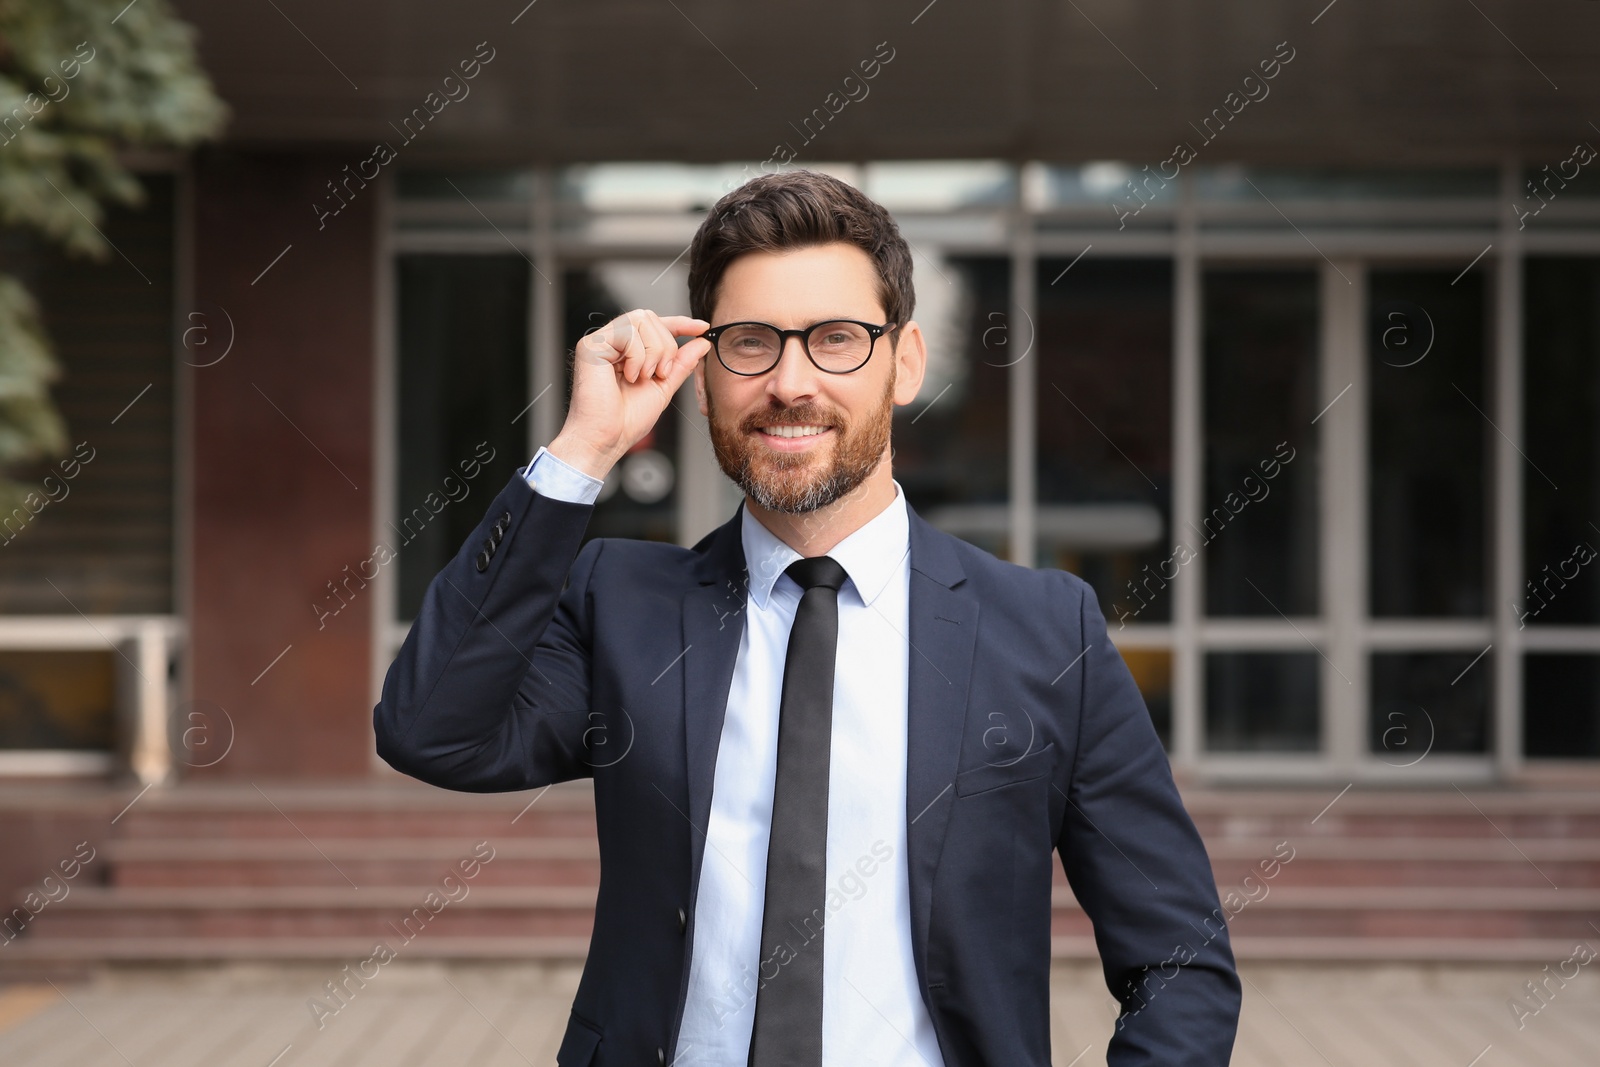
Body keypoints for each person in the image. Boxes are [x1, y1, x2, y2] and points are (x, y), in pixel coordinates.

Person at [374, 169, 1240, 1067]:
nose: (791, 383)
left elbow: (1177, 959)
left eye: (836, 339)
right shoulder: (620, 604)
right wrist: (583, 448)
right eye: (750, 343)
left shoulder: (1047, 632)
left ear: (904, 362)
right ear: (702, 376)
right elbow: (430, 729)